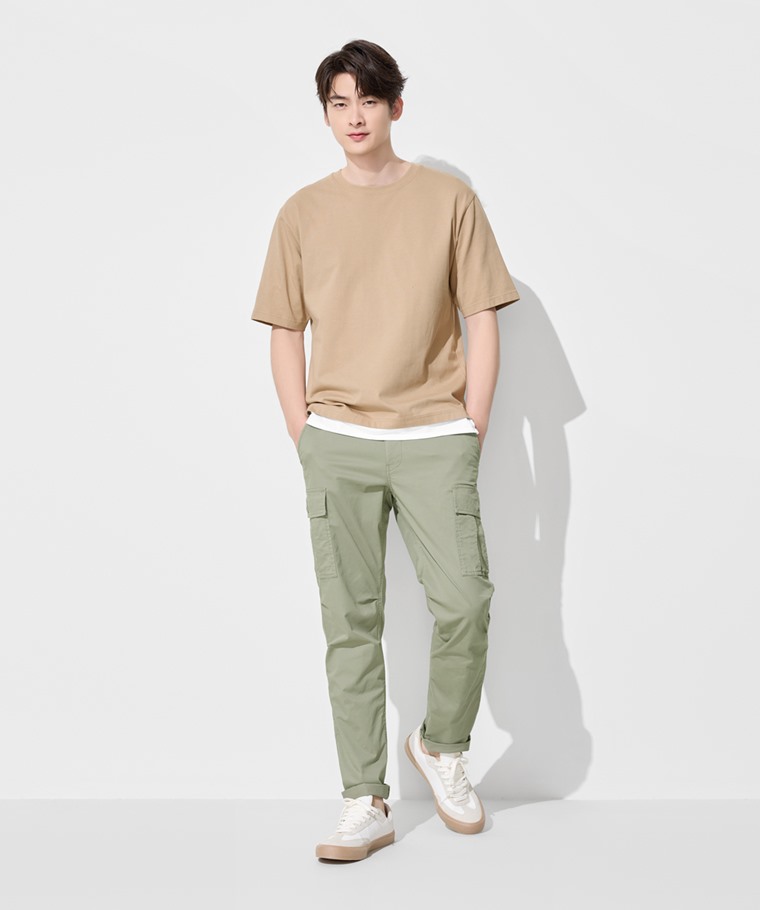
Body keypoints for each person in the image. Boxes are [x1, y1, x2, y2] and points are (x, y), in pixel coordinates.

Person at [251, 39, 520, 862]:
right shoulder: (301, 213)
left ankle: (441, 745)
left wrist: (472, 425)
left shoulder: (449, 201)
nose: (355, 116)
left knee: (465, 602)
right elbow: (285, 329)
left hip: (435, 435)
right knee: (350, 623)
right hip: (339, 441)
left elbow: (482, 317)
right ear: (327, 115)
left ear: (396, 106)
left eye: (368, 100)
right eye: (339, 103)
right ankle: (364, 799)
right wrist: (304, 432)